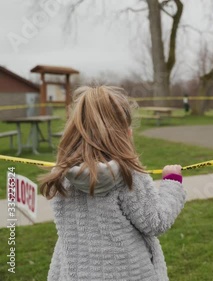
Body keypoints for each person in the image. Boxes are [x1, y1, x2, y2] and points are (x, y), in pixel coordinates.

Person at [39, 86, 186, 281]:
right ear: (125, 133)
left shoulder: (61, 175)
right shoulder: (127, 176)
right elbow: (155, 222)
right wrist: (172, 182)